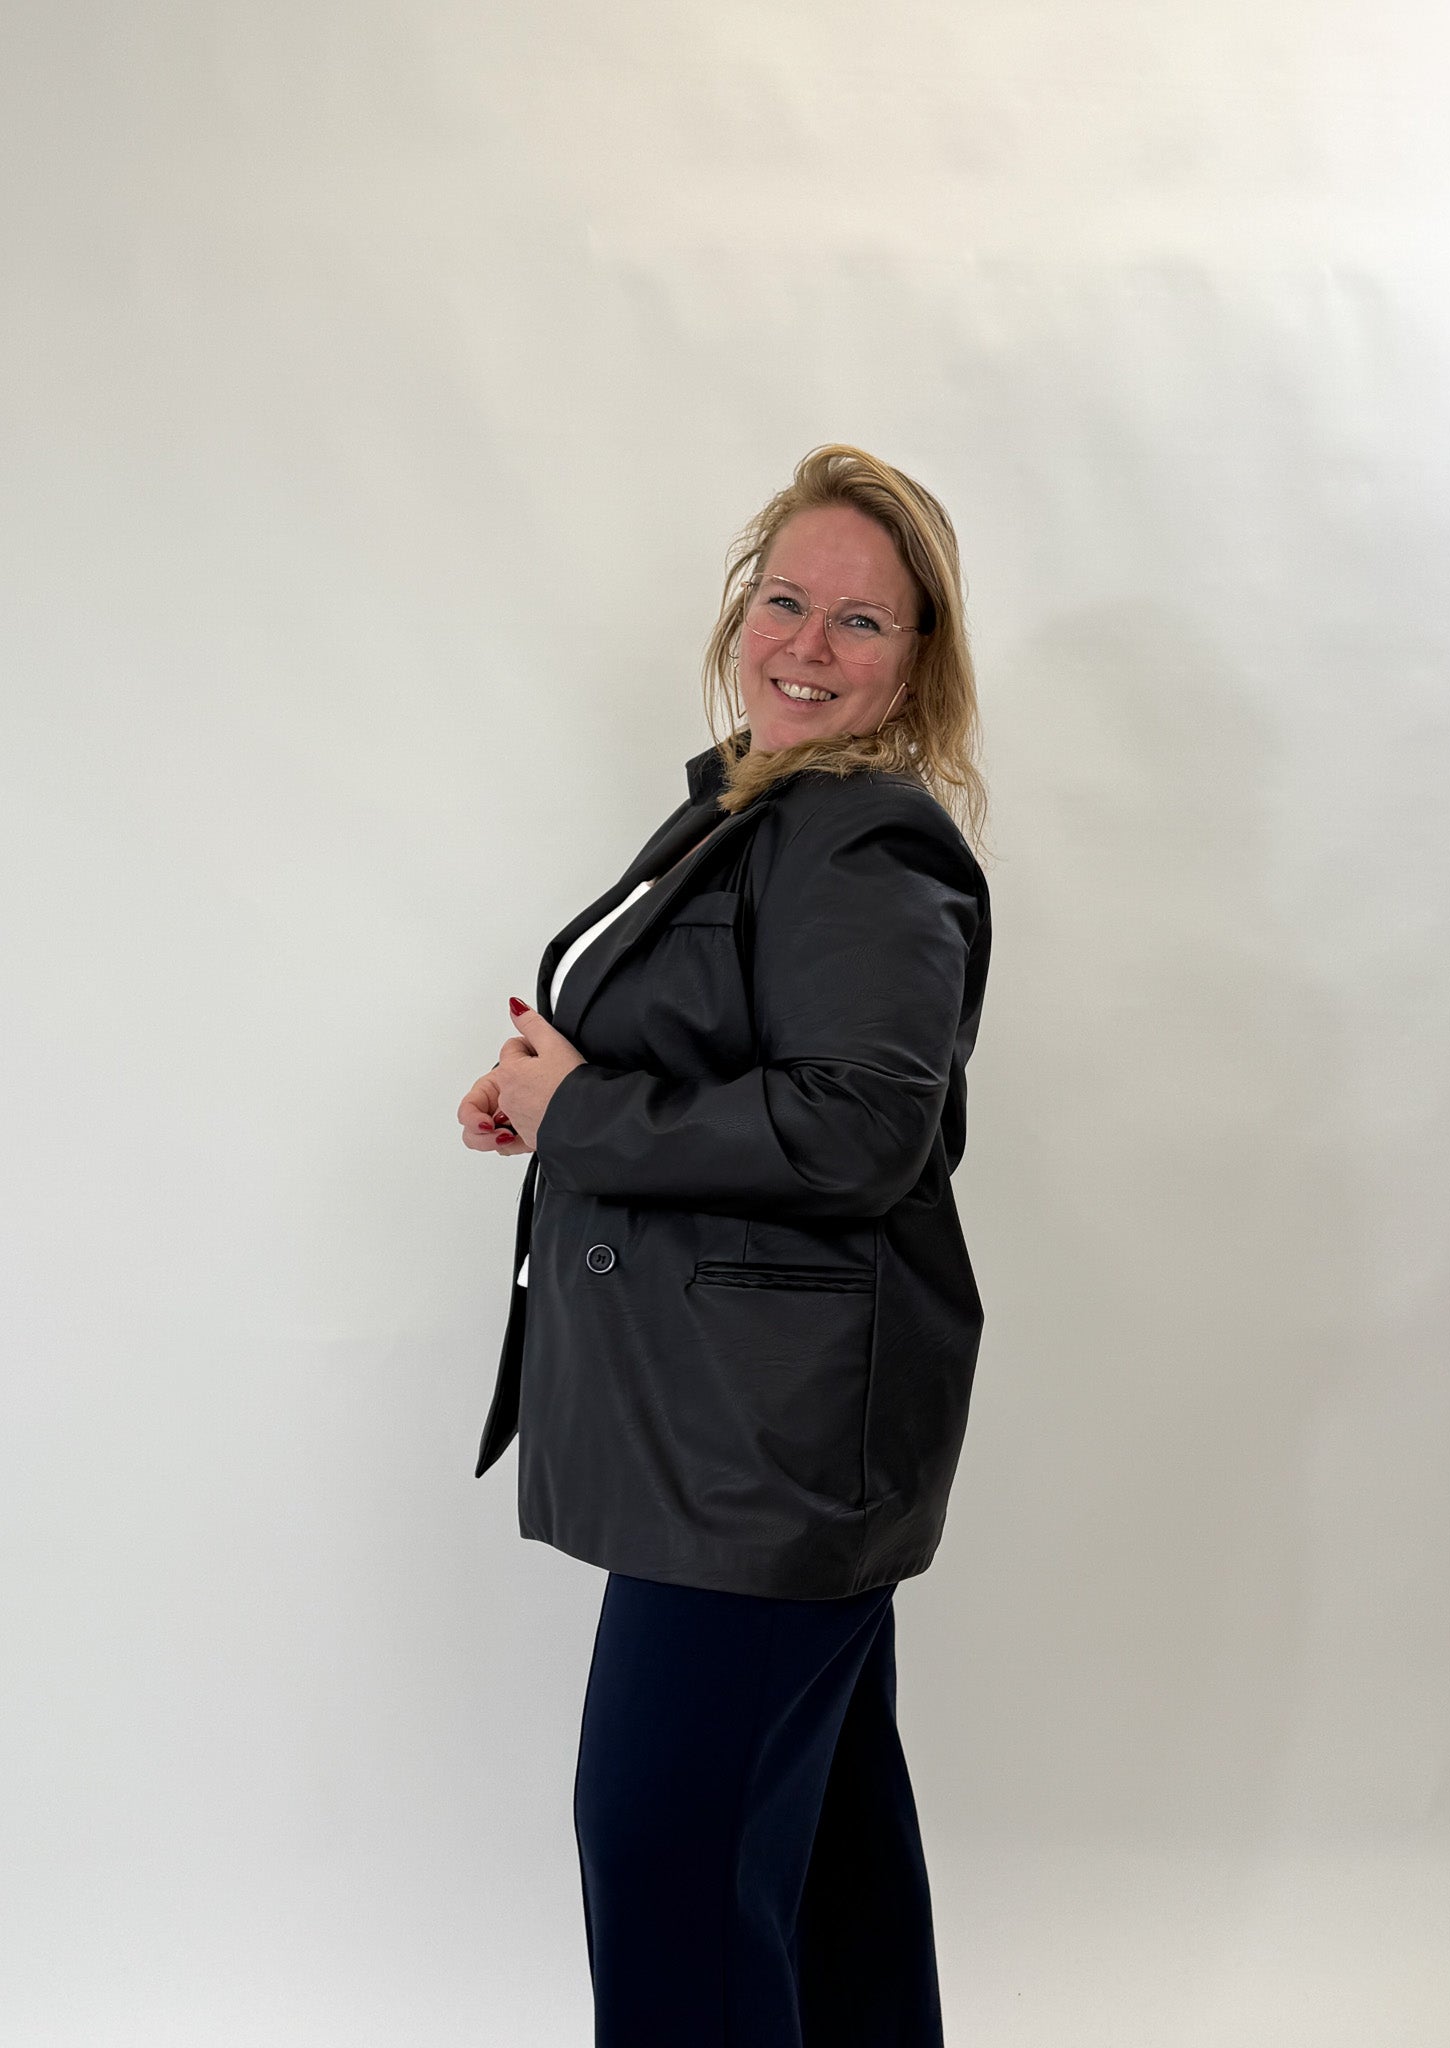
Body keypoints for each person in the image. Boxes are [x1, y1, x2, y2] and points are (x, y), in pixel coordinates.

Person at [457, 443, 992, 2047]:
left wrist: (587, 1113)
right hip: (734, 1434)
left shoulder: (866, 839)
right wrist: (556, 1099)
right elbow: (736, 1057)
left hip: (762, 1457)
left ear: (918, 662)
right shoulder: (758, 815)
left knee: (669, 1865)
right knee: (827, 1875)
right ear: (740, 609)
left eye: (861, 622)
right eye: (784, 600)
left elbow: (859, 1125)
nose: (806, 646)